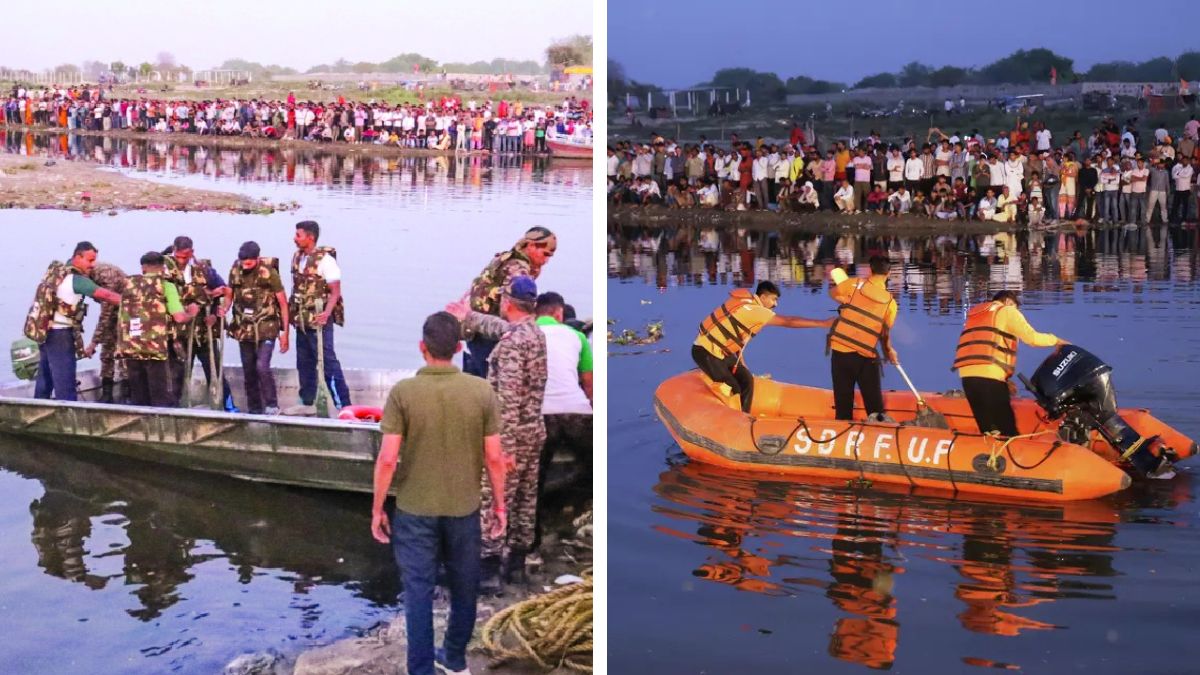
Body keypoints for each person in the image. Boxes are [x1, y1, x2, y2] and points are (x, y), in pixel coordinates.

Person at [370, 311, 507, 675]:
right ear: (460, 348)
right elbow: (494, 458)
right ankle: (455, 659)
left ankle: (421, 669)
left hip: (415, 511)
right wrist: (500, 506)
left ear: (422, 348)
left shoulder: (404, 392)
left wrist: (378, 508)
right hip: (464, 509)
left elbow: (387, 459)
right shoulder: (481, 390)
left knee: (418, 593)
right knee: (464, 587)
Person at [447, 275, 546, 592]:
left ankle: (488, 572)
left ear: (506, 301)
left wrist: (504, 450)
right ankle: (517, 565)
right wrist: (469, 317)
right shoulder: (534, 332)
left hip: (511, 434)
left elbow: (508, 400)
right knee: (525, 500)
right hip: (535, 430)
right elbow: (500, 328)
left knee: (495, 499)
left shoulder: (512, 346)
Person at [693, 280, 831, 414]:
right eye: (773, 299)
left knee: (747, 379)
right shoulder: (755, 311)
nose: (775, 304)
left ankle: (744, 417)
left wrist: (741, 363)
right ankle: (730, 422)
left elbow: (735, 335)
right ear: (763, 297)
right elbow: (789, 321)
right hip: (705, 352)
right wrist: (823, 323)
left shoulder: (745, 303)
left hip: (720, 352)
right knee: (732, 387)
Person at [953, 291, 1068, 437]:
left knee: (988, 429)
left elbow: (984, 348)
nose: (1017, 311)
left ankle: (991, 455)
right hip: (990, 377)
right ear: (1008, 301)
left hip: (967, 377)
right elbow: (1032, 338)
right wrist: (1057, 341)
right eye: (1016, 307)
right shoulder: (1007, 311)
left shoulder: (977, 315)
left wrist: (1004, 380)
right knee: (1007, 430)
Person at [532, 291, 592, 553]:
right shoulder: (577, 336)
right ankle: (584, 511)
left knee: (535, 477)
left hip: (541, 413)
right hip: (575, 412)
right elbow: (589, 382)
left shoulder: (525, 335)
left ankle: (533, 538)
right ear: (559, 314)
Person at [25, 242, 121, 401]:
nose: (93, 265)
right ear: (78, 257)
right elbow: (107, 296)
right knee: (65, 380)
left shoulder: (56, 273)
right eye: (90, 260)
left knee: (46, 376)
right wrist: (134, 302)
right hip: (60, 335)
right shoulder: (76, 280)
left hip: (44, 330)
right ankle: (70, 414)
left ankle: (37, 407)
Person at [464, 226, 556, 378]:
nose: (546, 261)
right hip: (490, 336)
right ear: (531, 246)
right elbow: (512, 311)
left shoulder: (506, 258)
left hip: (475, 331)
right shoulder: (518, 271)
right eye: (545, 254)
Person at [117, 252, 200, 407]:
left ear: (143, 268)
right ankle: (162, 427)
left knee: (139, 396)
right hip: (156, 348)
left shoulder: (128, 285)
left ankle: (141, 427)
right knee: (160, 395)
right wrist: (192, 312)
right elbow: (179, 317)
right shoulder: (166, 286)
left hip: (131, 348)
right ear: (162, 268)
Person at [163, 235, 233, 407]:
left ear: (192, 252)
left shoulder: (203, 270)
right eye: (178, 256)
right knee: (178, 374)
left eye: (185, 257)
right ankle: (176, 409)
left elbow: (225, 291)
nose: (181, 260)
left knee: (215, 371)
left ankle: (227, 405)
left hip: (203, 333)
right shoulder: (164, 270)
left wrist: (217, 314)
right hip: (179, 335)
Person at [827, 256, 898, 421]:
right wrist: (889, 351)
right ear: (889, 273)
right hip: (865, 357)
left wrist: (845, 300)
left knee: (843, 406)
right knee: (875, 409)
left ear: (870, 270)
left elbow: (832, 293)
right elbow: (884, 333)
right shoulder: (890, 303)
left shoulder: (853, 284)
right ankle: (878, 435)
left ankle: (843, 437)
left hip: (840, 352)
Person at [289, 220, 351, 408]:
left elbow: (335, 292)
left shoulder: (326, 261)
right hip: (301, 321)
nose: (294, 238)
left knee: (327, 362)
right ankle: (307, 400)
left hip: (319, 322)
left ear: (311, 237)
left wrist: (326, 314)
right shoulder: (297, 258)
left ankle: (343, 403)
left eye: (298, 235)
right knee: (304, 362)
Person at [226, 242, 290, 415]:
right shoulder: (235, 270)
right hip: (244, 328)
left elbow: (283, 304)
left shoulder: (269, 272)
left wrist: (285, 334)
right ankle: (254, 408)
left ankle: (272, 405)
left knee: (262, 366)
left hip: (266, 327)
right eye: (243, 262)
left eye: (249, 262)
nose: (245, 265)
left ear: (256, 259)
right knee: (248, 369)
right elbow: (229, 296)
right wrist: (223, 309)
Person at [84, 261, 128, 403]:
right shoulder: (89, 278)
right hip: (114, 312)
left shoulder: (106, 276)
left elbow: (105, 314)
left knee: (124, 354)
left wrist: (92, 344)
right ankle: (107, 393)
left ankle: (127, 393)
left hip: (128, 314)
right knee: (107, 352)